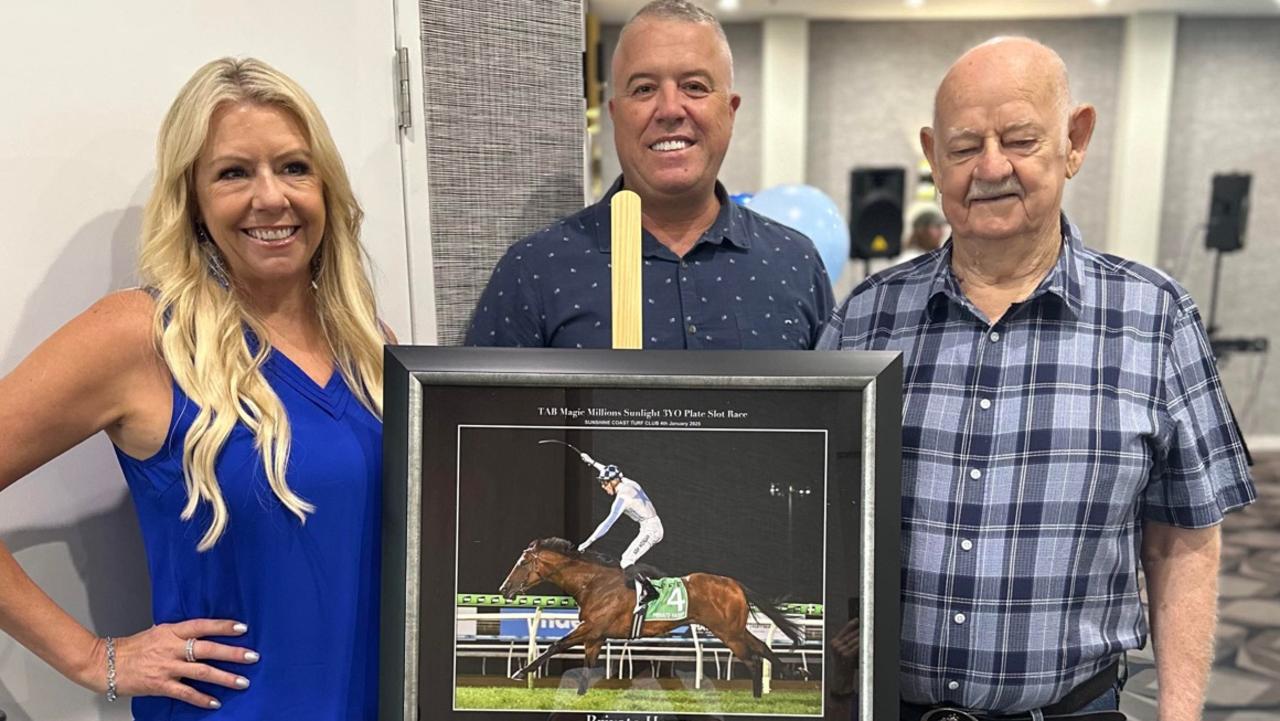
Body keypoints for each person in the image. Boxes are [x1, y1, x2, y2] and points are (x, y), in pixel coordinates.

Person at [819, 37, 1254, 721]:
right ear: (933, 156)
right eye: (964, 148)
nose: (991, 167)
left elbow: (1184, 539)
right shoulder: (865, 320)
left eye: (1019, 139)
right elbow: (818, 515)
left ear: (1074, 140)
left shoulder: (1154, 319)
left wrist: (1179, 713)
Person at [0, 58, 390, 719]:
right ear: (195, 199)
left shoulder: (370, 343)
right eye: (234, 172)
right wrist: (94, 657)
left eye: (294, 166)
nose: (272, 197)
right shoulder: (141, 335)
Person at [465, 0, 833, 349]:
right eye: (643, 89)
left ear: (730, 112)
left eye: (694, 86)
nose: (670, 109)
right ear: (615, 114)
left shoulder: (797, 264)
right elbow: (480, 411)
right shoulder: (532, 272)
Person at [575, 453, 664, 636]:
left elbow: (607, 523)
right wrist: (591, 462)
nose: (603, 487)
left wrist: (588, 542)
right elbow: (606, 470)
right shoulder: (627, 481)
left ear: (612, 482)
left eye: (604, 483)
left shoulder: (623, 497)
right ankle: (646, 589)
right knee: (626, 561)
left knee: (626, 560)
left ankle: (650, 591)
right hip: (649, 525)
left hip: (651, 529)